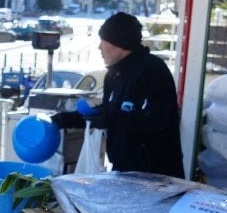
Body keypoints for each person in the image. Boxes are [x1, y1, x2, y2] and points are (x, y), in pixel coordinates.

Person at [51, 11, 185, 177]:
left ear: (119, 43)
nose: (99, 47)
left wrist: (110, 119)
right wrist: (66, 119)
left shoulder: (153, 71)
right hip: (123, 171)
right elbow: (108, 111)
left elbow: (157, 120)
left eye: (103, 40)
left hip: (157, 175)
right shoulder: (113, 75)